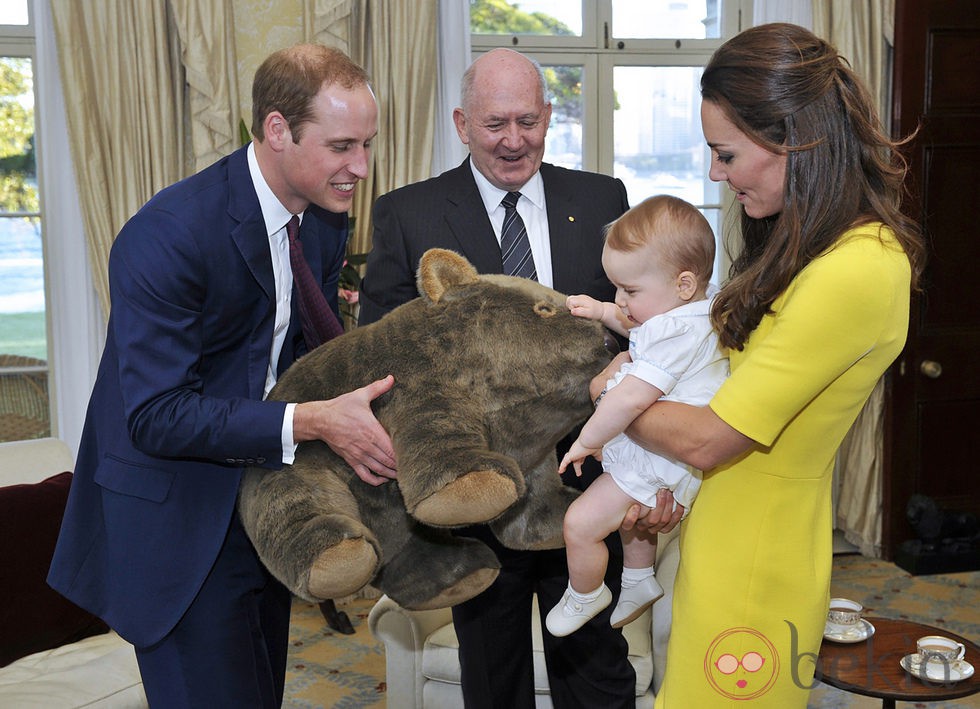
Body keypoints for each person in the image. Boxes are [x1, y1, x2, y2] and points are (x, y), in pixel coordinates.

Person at [47, 45, 398, 708]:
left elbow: (297, 358)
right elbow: (155, 414)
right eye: (342, 145)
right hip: (175, 524)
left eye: (367, 145)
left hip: (259, 507)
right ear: (275, 130)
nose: (360, 167)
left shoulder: (322, 218)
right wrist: (314, 420)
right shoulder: (169, 234)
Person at [596, 24, 924, 707]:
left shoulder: (859, 267)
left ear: (793, 138)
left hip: (755, 555)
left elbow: (713, 435)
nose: (715, 173)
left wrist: (614, 389)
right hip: (719, 530)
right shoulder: (805, 247)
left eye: (726, 154)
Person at [358, 48, 639, 708]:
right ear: (461, 123)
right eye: (494, 124)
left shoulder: (603, 199)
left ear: (547, 116)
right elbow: (381, 360)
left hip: (585, 488)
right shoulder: (409, 214)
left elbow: (639, 334)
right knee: (493, 676)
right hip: (477, 497)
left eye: (528, 121)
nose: (514, 140)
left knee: (597, 671)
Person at [545, 195, 728, 638]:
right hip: (669, 457)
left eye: (629, 291)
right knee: (633, 523)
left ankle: (586, 593)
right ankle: (638, 579)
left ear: (683, 284)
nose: (620, 300)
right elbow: (639, 327)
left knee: (580, 524)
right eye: (616, 290)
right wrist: (603, 311)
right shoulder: (691, 317)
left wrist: (587, 440)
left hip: (660, 456)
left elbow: (628, 401)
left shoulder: (673, 331)